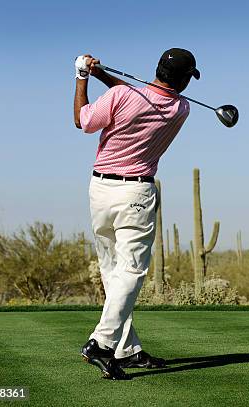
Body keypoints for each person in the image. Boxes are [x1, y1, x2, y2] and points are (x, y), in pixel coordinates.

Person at [73, 48, 200, 380]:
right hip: (136, 193)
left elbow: (83, 120)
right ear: (186, 79)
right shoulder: (181, 109)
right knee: (130, 271)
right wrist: (100, 75)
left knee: (112, 268)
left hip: (99, 189)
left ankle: (126, 348)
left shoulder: (120, 96)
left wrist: (82, 77)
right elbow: (134, 97)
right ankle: (102, 343)